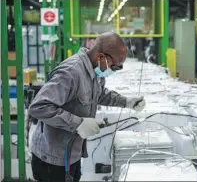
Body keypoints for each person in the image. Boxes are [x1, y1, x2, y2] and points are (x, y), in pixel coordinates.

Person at [28, 32, 146, 182]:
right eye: (115, 67)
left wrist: (127, 102)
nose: (114, 70)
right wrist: (78, 123)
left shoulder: (96, 70)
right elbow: (38, 107)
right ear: (101, 57)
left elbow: (100, 94)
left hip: (72, 152)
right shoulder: (71, 72)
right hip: (52, 159)